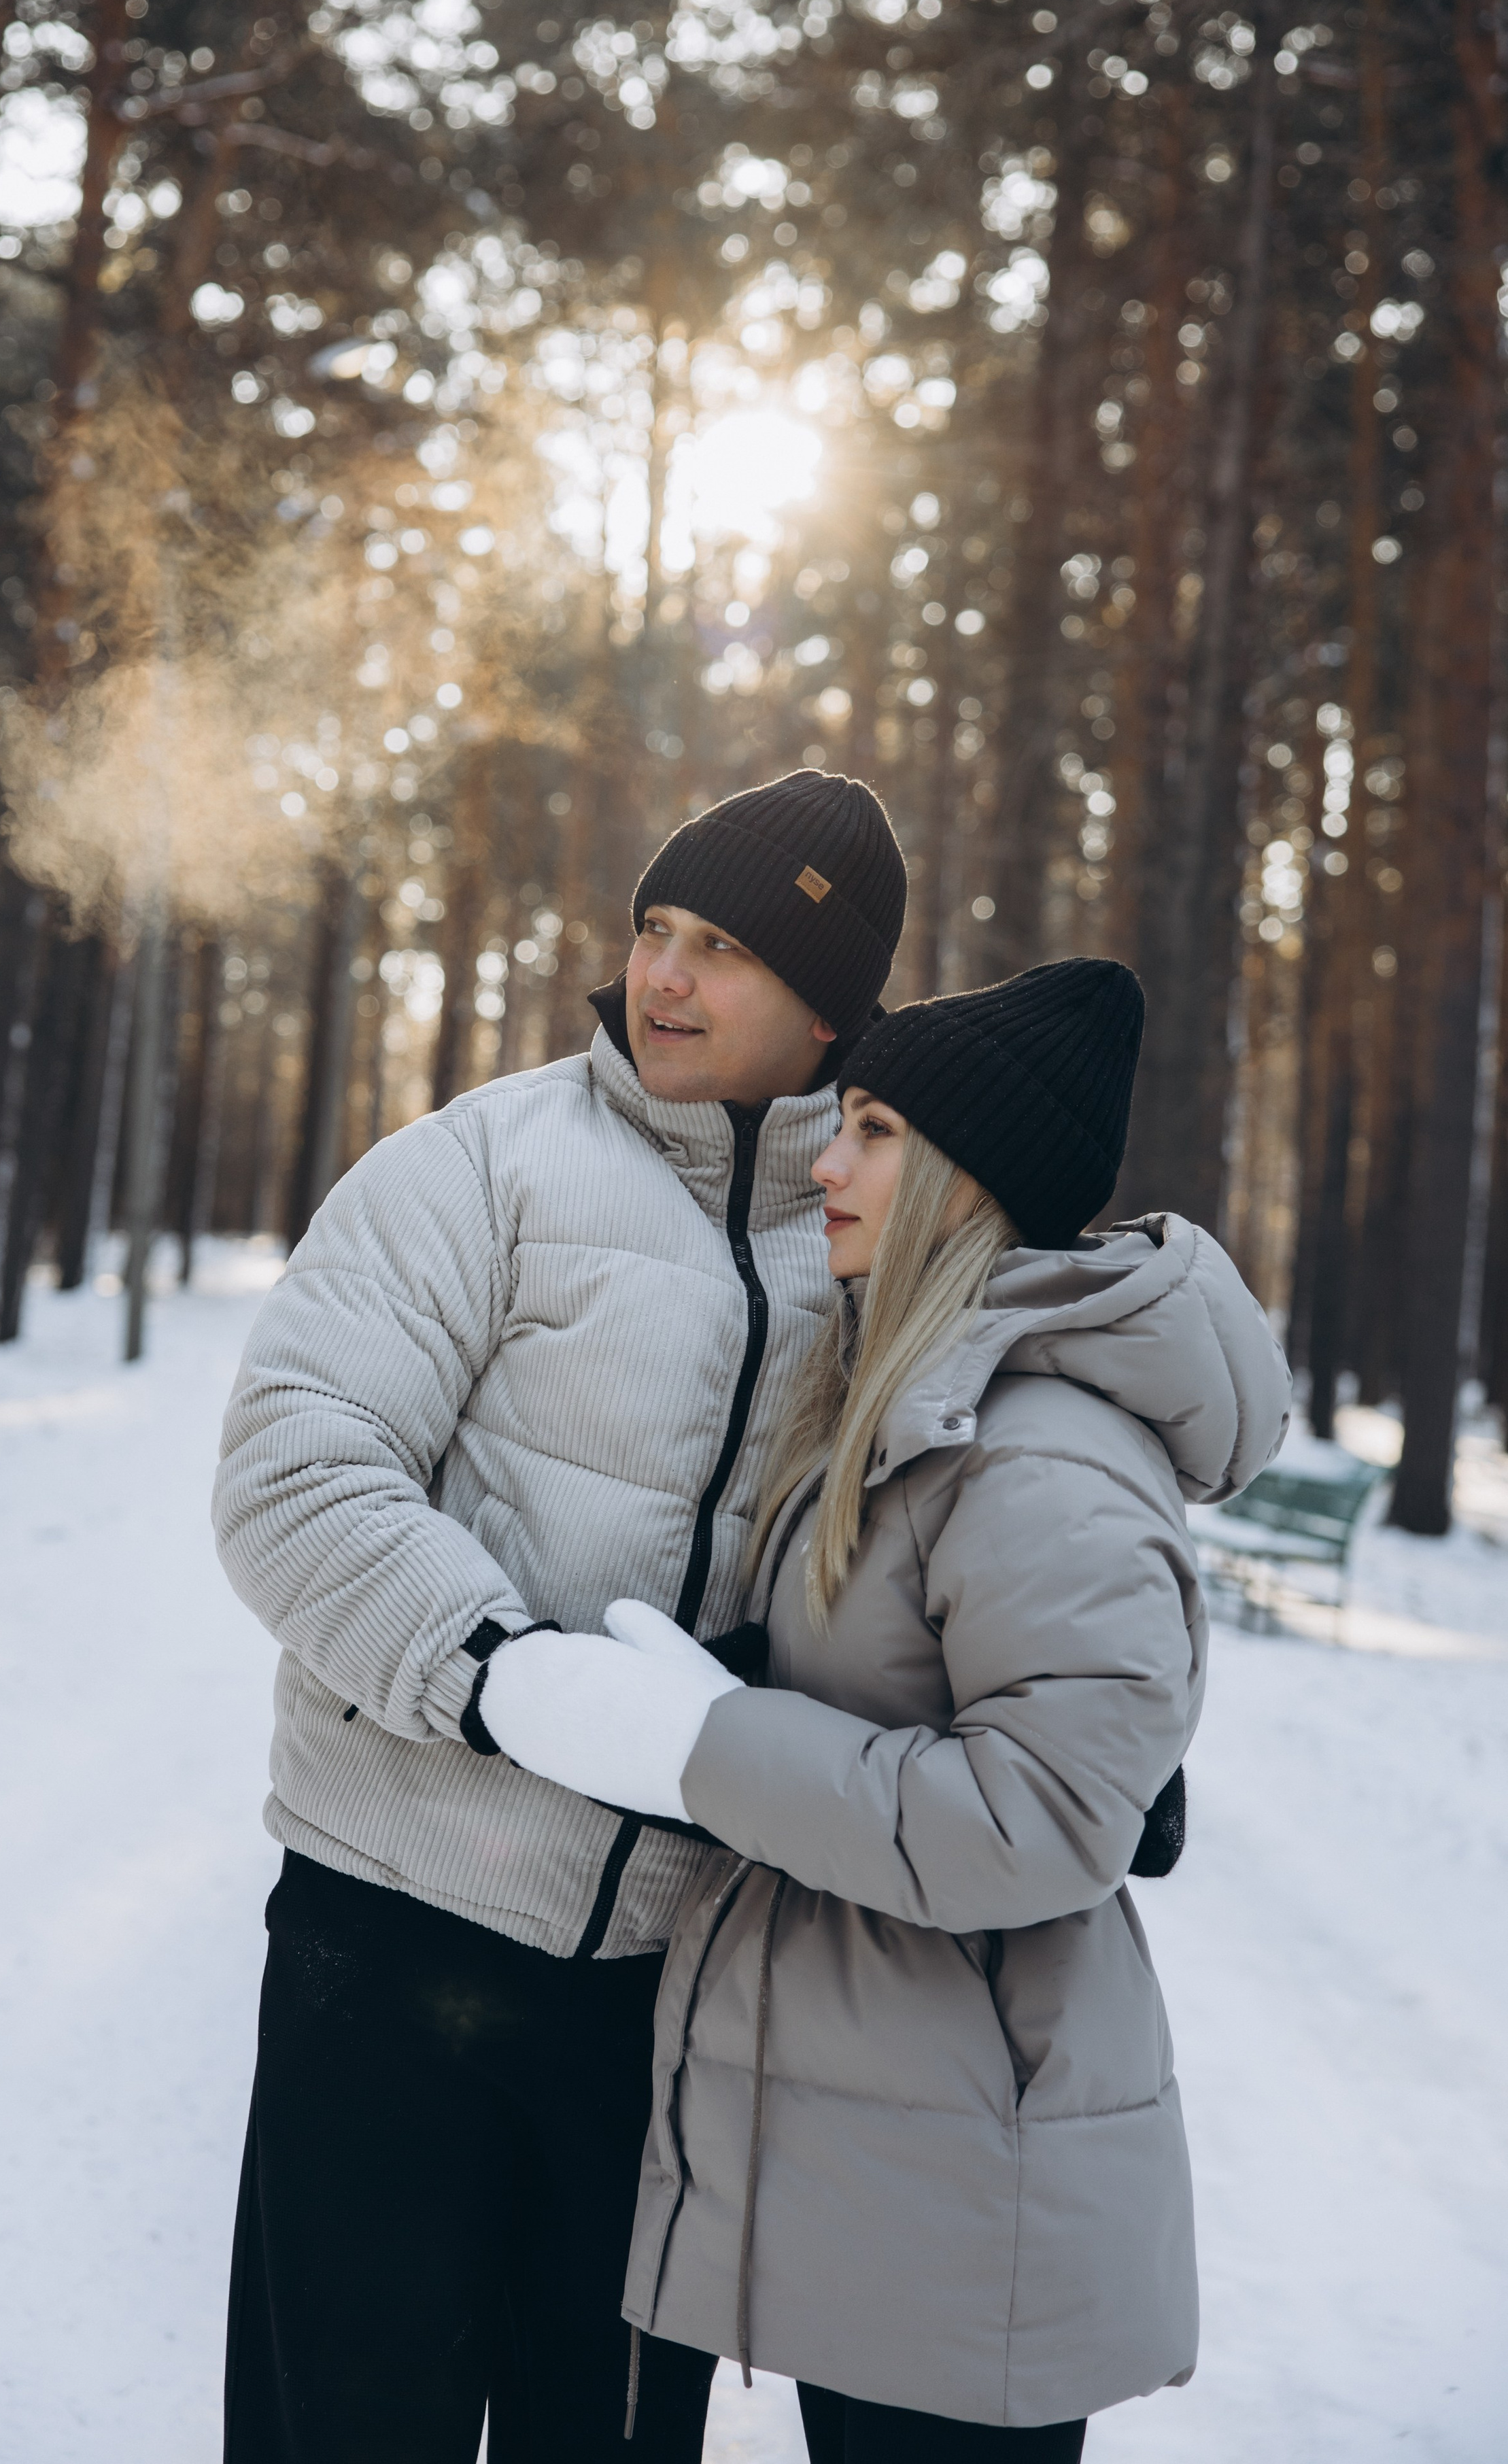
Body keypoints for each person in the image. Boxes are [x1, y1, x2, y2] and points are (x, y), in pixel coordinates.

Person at [480, 957, 1294, 2461]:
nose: (824, 1161)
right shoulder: (920, 1400)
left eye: (868, 1130)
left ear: (962, 1181)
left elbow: (1038, 1823)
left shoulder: (1039, 1452)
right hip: (893, 2176)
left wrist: (698, 1748)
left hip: (966, 2202)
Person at [211, 769, 909, 2462]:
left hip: (665, 2012)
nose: (659, 977)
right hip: (388, 1948)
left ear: (827, 1013)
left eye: (721, 947)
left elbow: (965, 1525)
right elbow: (294, 1467)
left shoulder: (875, 1237)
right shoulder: (484, 1162)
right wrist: (499, 1679)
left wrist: (1049, 1728)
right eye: (652, 929)